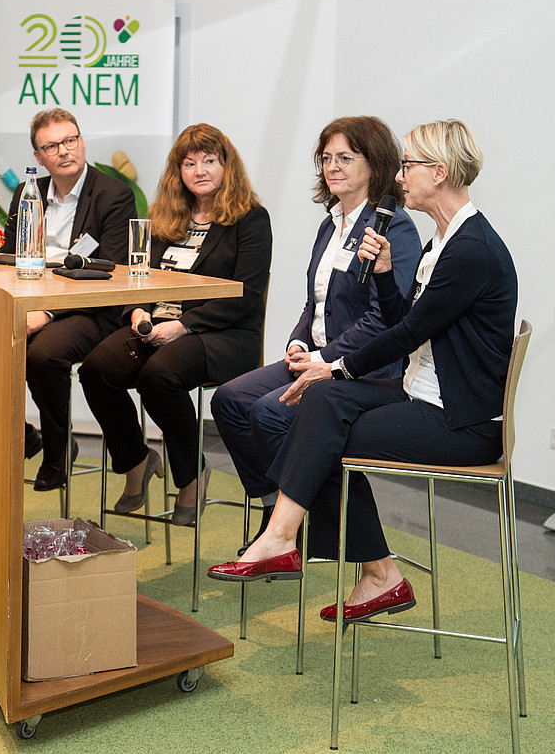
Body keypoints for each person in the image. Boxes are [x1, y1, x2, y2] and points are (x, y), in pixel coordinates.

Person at [208, 120, 517, 626]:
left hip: (460, 421)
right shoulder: (444, 241)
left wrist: (337, 368)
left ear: (439, 173)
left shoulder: (471, 250)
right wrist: (382, 276)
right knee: (319, 409)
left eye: (409, 166)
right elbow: (404, 321)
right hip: (421, 394)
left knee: (316, 423)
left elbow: (403, 335)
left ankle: (304, 544)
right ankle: (328, 553)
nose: (399, 178)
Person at [210, 116, 420, 553]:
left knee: (268, 414)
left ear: (375, 163)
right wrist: (299, 342)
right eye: (326, 158)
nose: (332, 166)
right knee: (229, 401)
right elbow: (316, 302)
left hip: (363, 368)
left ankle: (294, 527)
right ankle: (278, 512)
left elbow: (386, 319)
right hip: (318, 357)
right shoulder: (331, 223)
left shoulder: (393, 228)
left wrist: (326, 359)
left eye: (345, 157)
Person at [79, 123, 272, 526]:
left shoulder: (250, 219)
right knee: (96, 370)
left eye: (209, 161)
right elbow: (139, 276)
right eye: (189, 163)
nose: (200, 170)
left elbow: (246, 294)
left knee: (158, 375)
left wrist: (184, 325)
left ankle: (191, 472)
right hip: (156, 326)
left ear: (227, 166)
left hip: (221, 333)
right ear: (177, 171)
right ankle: (135, 459)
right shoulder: (165, 217)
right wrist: (136, 311)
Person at [0, 108, 136, 490]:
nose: (63, 151)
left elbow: (110, 269)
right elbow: (10, 257)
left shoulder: (113, 194)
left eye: (69, 140)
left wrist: (47, 310)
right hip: (32, 302)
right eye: (51, 146)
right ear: (38, 157)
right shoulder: (27, 193)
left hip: (92, 308)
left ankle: (57, 452)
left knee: (43, 354)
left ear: (82, 141)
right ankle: (26, 435)